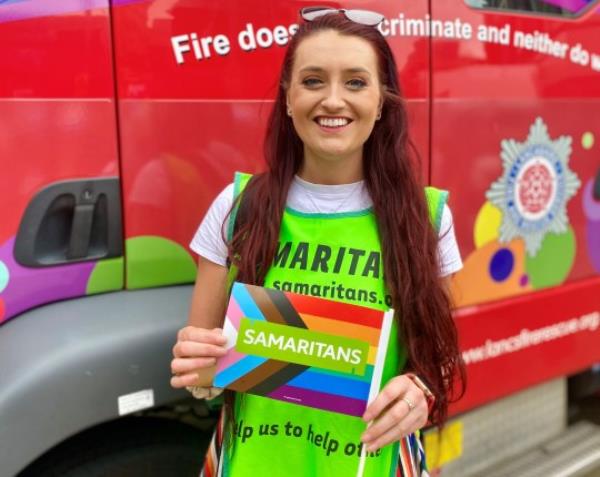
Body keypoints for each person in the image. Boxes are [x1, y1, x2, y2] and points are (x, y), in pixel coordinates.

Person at [171, 7, 465, 477]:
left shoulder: (427, 219)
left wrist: (422, 392)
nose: (333, 100)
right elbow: (204, 369)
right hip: (254, 464)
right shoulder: (237, 206)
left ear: (382, 100)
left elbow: (440, 358)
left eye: (355, 82)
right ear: (287, 98)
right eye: (312, 81)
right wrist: (197, 370)